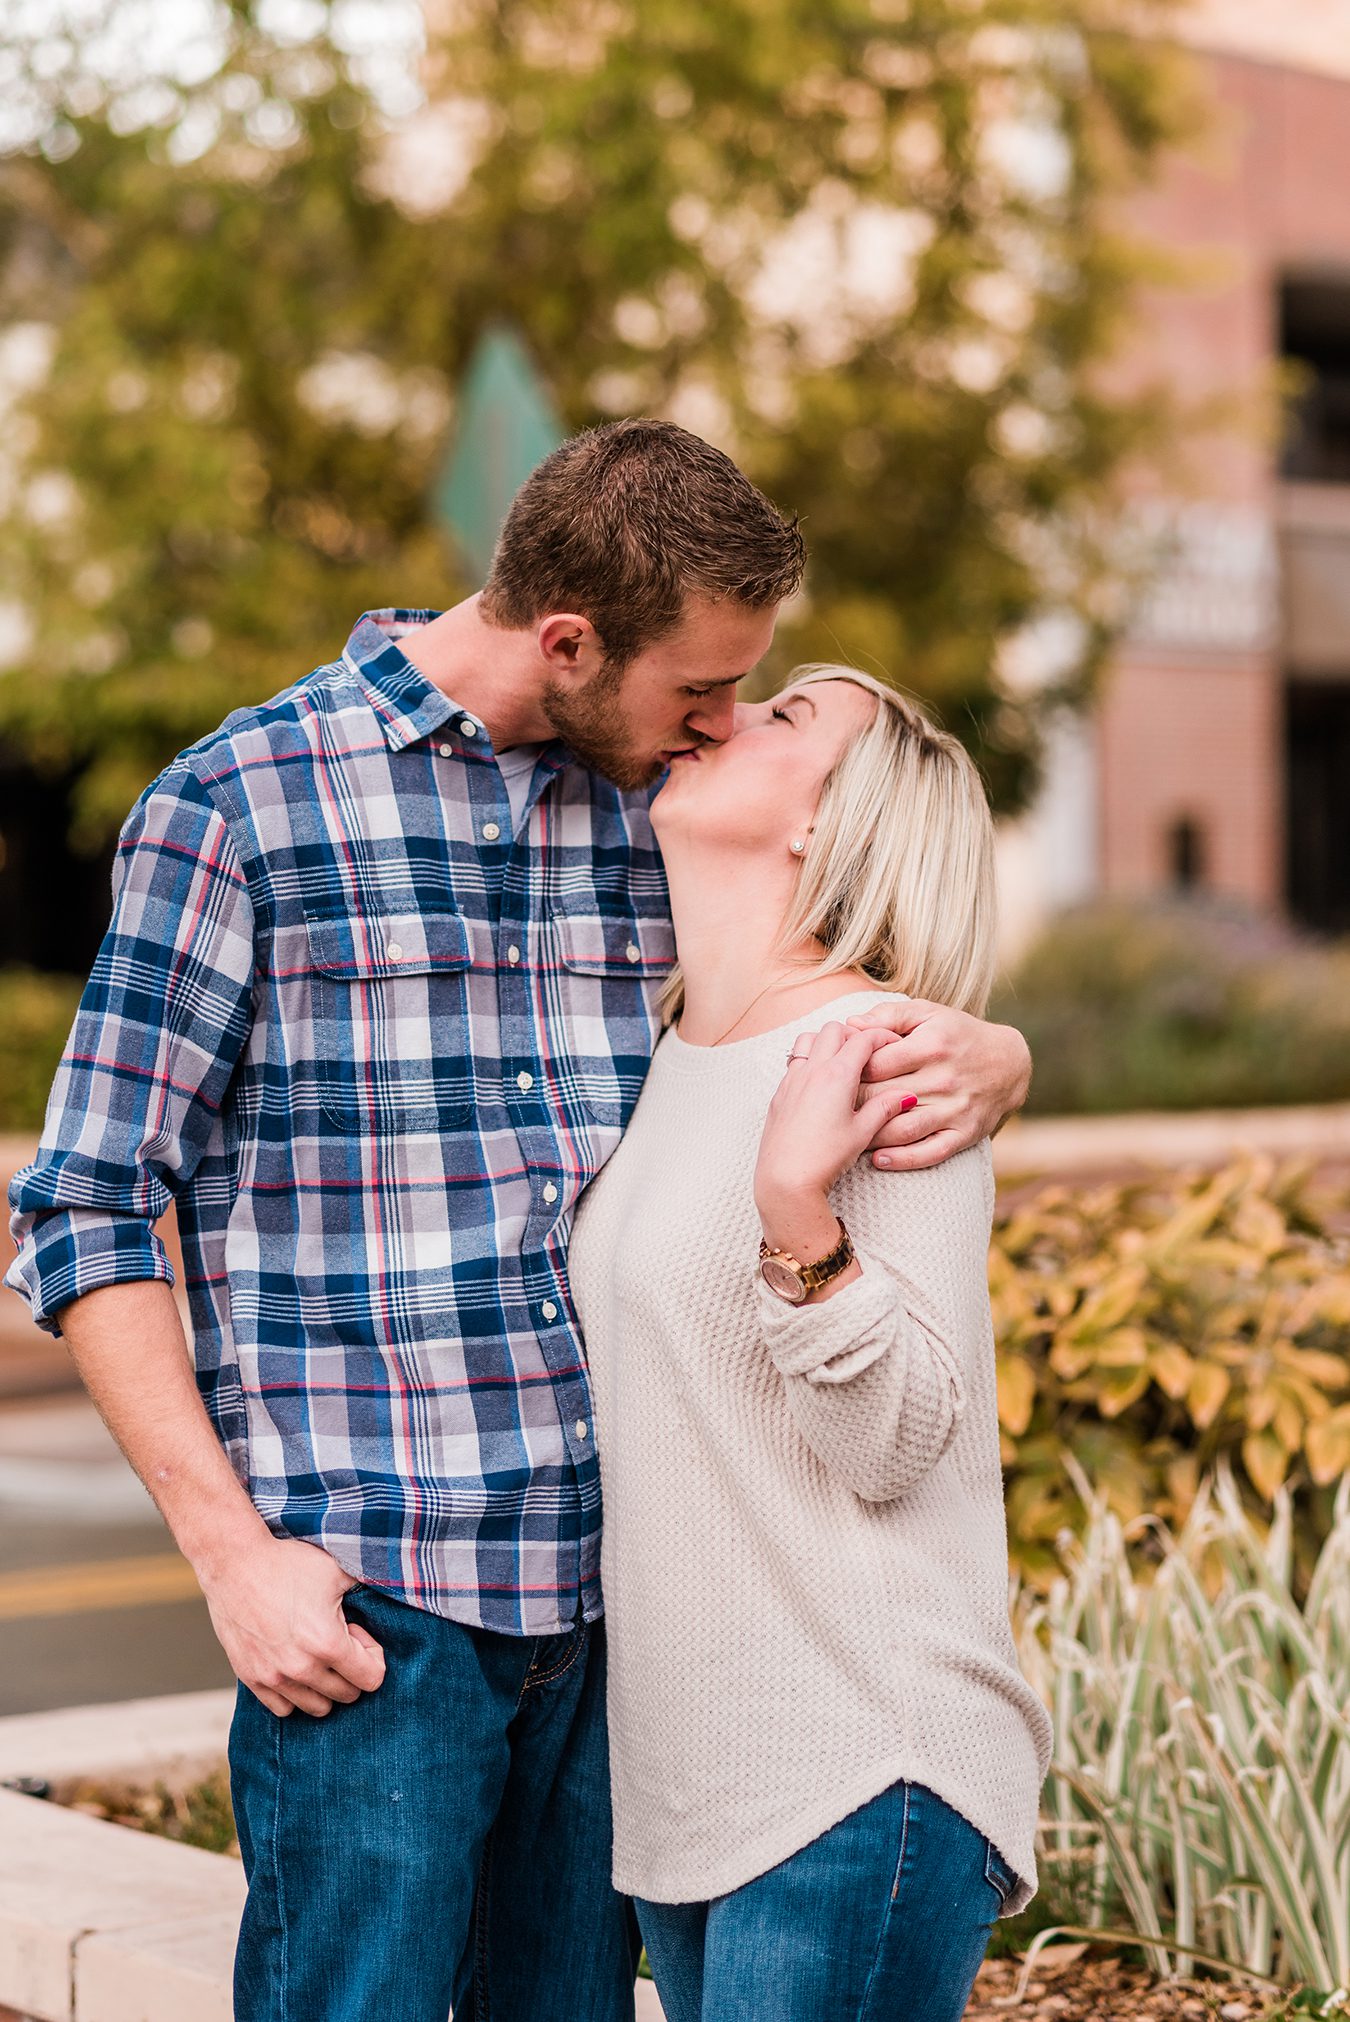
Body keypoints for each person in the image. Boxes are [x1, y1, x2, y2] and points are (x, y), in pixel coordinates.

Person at [6, 422, 1033, 2022]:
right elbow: (84, 1201)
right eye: (699, 689)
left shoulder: (652, 809)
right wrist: (230, 1556)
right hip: (374, 1610)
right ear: (568, 641)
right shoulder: (244, 809)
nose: (714, 724)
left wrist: (985, 1043)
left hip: (615, 1633)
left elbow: (826, 965)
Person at [570, 665, 1054, 2022]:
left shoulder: (883, 1061)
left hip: (855, 1764)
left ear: (828, 827)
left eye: (784, 715)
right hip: (691, 1782)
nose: (727, 712)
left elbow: (899, 1439)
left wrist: (797, 1215)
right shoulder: (671, 1050)